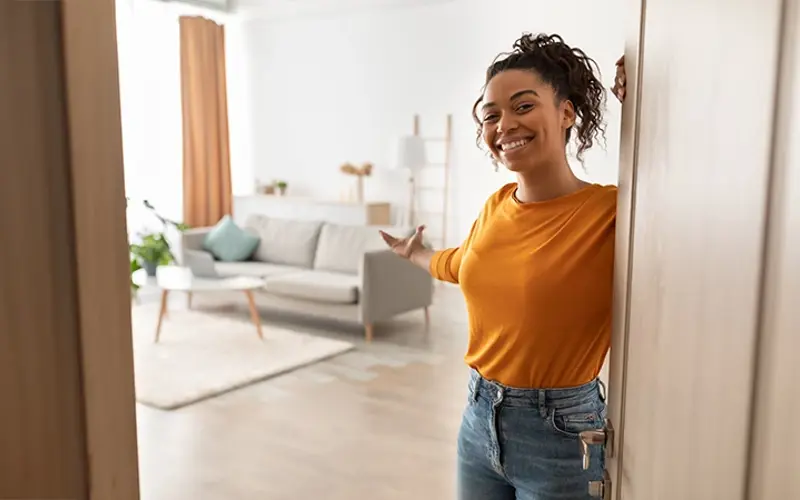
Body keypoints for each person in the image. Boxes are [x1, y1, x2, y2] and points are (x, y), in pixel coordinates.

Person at [379, 33, 627, 500]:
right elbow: (462, 265)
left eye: (523, 106)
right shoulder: (497, 205)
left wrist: (653, 99)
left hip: (561, 435)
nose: (504, 125)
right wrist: (414, 253)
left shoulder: (612, 212)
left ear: (567, 113)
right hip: (478, 419)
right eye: (491, 115)